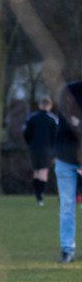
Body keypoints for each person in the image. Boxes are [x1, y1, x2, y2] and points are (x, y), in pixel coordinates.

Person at [55, 83, 82, 263]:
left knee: (67, 206)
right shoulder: (70, 91)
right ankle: (67, 249)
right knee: (67, 205)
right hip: (65, 159)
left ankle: (67, 250)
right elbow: (67, 126)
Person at [24, 96, 60, 207]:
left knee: (36, 171)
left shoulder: (32, 118)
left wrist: (30, 143)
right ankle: (40, 197)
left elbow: (26, 133)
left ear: (40, 105)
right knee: (43, 172)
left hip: (34, 148)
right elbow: (56, 136)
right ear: (50, 106)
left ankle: (38, 195)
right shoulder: (53, 119)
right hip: (47, 149)